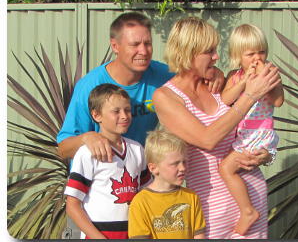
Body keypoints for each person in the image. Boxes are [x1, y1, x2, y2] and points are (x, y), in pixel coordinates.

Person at [153, 17, 281, 239]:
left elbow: (251, 129)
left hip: (251, 198)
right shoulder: (165, 97)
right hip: (211, 209)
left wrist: (266, 155)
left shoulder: (217, 83)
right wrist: (250, 95)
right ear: (188, 53)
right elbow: (207, 139)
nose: (216, 57)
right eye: (209, 51)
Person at [57, 12, 225, 163]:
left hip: (141, 179)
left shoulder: (163, 76)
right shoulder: (90, 86)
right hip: (99, 185)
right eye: (135, 44)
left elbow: (191, 74)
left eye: (147, 43)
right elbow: (63, 149)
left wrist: (214, 73)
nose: (143, 51)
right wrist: (87, 138)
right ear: (115, 46)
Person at [219, 24, 284, 236]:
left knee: (226, 168)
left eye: (261, 52)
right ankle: (245, 208)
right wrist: (244, 83)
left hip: (259, 133)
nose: (257, 58)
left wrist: (270, 82)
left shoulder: (271, 74)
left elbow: (279, 101)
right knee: (232, 168)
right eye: (250, 54)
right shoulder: (236, 77)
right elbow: (225, 100)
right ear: (238, 56)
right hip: (244, 134)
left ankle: (247, 211)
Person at [64, 84, 150, 239]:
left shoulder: (137, 149)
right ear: (97, 115)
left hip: (134, 235)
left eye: (127, 110)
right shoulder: (86, 153)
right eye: (116, 111)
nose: (124, 116)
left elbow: (146, 193)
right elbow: (72, 205)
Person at [128, 129, 206, 239]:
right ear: (153, 168)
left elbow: (199, 236)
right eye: (175, 164)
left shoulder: (192, 197)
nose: (182, 168)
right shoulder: (140, 203)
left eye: (184, 162)